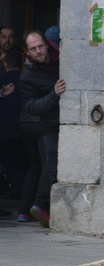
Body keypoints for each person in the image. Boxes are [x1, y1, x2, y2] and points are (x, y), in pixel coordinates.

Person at [19, 30, 64, 227]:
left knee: (43, 166)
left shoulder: (63, 55)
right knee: (50, 168)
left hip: (71, 122)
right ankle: (47, 210)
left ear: (47, 44)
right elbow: (32, 107)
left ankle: (40, 206)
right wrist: (53, 95)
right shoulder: (28, 75)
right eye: (33, 49)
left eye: (40, 46)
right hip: (49, 126)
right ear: (27, 52)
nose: (38, 52)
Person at [0, 51, 27, 214]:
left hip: (5, 133)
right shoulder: (25, 80)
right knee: (24, 165)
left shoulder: (3, 82)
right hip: (23, 130)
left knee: (14, 167)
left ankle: (26, 200)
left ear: (5, 64)